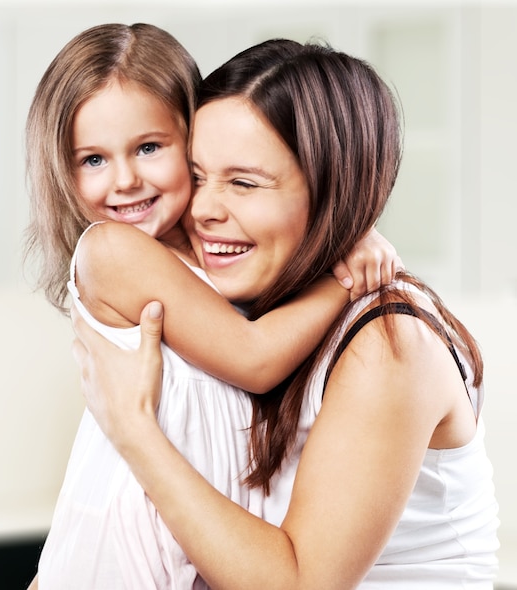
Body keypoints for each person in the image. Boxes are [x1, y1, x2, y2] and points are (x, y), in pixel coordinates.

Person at [72, 39, 500, 589]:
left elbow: (298, 584)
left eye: (245, 183)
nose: (203, 210)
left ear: (331, 191)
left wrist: (133, 429)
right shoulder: (253, 317)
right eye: (198, 176)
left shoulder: (388, 345)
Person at [24, 25, 401, 589]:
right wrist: (346, 277)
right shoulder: (111, 252)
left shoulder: (221, 265)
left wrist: (343, 231)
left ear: (192, 136)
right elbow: (253, 357)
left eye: (149, 148)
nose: (125, 180)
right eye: (93, 159)